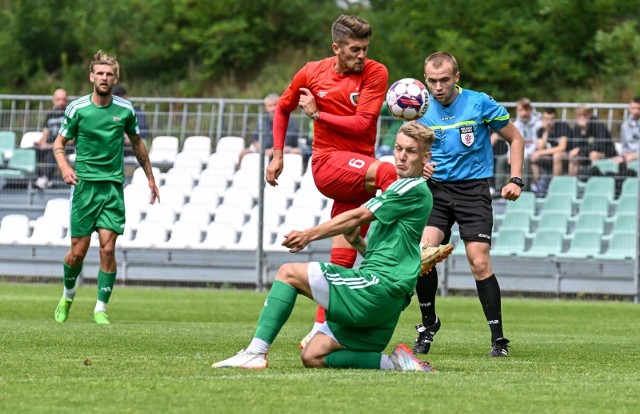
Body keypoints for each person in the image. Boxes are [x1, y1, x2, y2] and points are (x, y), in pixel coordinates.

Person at [213, 122, 437, 371]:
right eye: (398, 148)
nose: (401, 156)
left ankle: (255, 353)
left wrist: (309, 235)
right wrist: (356, 242)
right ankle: (395, 363)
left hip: (378, 288)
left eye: (411, 151)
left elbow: (356, 217)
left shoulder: (409, 188)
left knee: (288, 273)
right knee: (313, 355)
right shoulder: (409, 189)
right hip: (388, 298)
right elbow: (388, 252)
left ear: (425, 157)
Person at [264, 15, 396, 347]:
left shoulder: (376, 72)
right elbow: (282, 109)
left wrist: (318, 114)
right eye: (355, 49)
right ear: (336, 48)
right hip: (328, 164)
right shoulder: (311, 72)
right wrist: (278, 153)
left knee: (344, 256)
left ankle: (320, 328)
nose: (362, 55)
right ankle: (412, 246)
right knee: (389, 174)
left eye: (365, 48)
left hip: (356, 174)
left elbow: (363, 125)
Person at [414, 51, 525, 357]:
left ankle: (498, 340)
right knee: (423, 259)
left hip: (473, 192)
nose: (438, 86)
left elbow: (515, 138)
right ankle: (428, 324)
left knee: (479, 261)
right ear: (426, 80)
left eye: (444, 80)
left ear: (456, 77)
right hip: (435, 192)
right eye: (433, 81)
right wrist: (419, 165)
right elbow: (408, 152)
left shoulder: (479, 102)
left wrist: (515, 180)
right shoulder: (418, 109)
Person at [52, 50, 159, 325]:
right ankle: (68, 294)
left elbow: (137, 143)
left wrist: (150, 176)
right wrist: (65, 168)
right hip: (84, 186)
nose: (104, 77)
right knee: (78, 252)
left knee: (108, 249)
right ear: (91, 77)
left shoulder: (125, 109)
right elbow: (58, 145)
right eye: (99, 73)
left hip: (112, 187)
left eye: (109, 74)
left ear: (115, 78)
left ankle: (100, 307)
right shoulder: (77, 108)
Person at [494, 97, 542, 191]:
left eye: (526, 109)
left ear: (530, 110)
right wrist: (509, 156)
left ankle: (523, 189)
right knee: (501, 160)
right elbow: (510, 142)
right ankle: (498, 189)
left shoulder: (538, 124)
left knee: (525, 160)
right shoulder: (515, 124)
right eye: (521, 110)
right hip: (517, 152)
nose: (523, 113)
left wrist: (523, 154)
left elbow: (536, 143)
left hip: (532, 153)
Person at [238, 93, 302, 163]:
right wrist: (261, 149)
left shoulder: (290, 119)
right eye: (270, 106)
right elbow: (255, 139)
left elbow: (287, 141)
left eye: (275, 105)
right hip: (264, 149)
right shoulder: (262, 119)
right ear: (266, 107)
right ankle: (237, 170)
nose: (273, 108)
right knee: (243, 153)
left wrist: (272, 150)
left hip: (284, 149)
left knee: (296, 151)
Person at [529, 107, 574, 195]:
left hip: (565, 156)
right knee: (534, 157)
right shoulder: (541, 130)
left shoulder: (563, 127)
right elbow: (540, 148)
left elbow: (562, 147)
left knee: (557, 155)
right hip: (548, 157)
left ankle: (555, 187)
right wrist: (546, 132)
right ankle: (538, 185)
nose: (549, 122)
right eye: (546, 119)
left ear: (556, 118)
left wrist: (540, 152)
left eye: (551, 119)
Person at [568, 105, 616, 179]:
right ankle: (571, 183)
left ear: (589, 115)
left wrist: (580, 149)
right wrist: (583, 131)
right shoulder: (578, 128)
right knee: (573, 156)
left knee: (593, 154)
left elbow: (601, 146)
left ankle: (594, 181)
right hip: (586, 153)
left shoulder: (598, 126)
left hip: (606, 153)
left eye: (584, 115)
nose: (581, 118)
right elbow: (575, 145)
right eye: (579, 116)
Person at [34, 88, 69, 189]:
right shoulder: (50, 115)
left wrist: (49, 145)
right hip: (51, 143)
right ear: (53, 100)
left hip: (64, 145)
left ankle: (45, 178)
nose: (61, 102)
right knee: (32, 151)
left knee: (53, 150)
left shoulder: (71, 115)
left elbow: (71, 140)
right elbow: (45, 132)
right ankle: (40, 178)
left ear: (67, 100)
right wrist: (40, 144)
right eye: (58, 100)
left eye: (63, 99)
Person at [112, 85, 150, 157]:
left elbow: (144, 130)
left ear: (126, 97)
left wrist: (130, 135)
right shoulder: (112, 113)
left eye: (121, 97)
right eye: (117, 98)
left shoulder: (136, 111)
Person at [612, 97, 640, 168]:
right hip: (628, 155)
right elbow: (624, 144)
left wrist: (636, 155)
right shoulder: (625, 126)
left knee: (629, 159)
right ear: (629, 108)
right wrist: (624, 155)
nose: (635, 111)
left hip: (636, 155)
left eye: (638, 108)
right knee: (612, 161)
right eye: (633, 108)